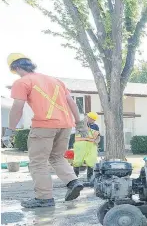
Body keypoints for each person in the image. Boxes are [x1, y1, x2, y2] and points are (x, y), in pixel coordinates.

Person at [2, 53, 88, 208]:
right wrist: (79, 124)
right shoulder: (56, 81)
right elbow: (72, 103)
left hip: (44, 125)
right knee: (57, 157)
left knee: (38, 162)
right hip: (66, 125)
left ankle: (44, 198)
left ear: (14, 68)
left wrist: (10, 131)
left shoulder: (22, 82)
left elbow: (17, 108)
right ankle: (73, 181)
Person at [73, 111, 100, 181]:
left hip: (91, 146)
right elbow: (80, 129)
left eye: (93, 119)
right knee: (77, 161)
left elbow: (98, 136)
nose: (92, 120)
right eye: (89, 118)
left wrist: (96, 141)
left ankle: (90, 178)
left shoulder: (95, 126)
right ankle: (74, 178)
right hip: (80, 146)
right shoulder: (81, 124)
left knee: (91, 162)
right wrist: (85, 122)